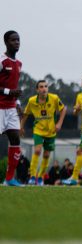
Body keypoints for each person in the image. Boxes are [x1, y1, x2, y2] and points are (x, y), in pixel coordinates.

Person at [20, 78, 67, 185]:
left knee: (46, 155)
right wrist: (21, 126)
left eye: (46, 86)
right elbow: (26, 114)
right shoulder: (32, 101)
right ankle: (32, 176)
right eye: (41, 87)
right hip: (38, 130)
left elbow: (63, 109)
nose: (44, 89)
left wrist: (59, 123)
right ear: (37, 90)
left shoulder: (54, 98)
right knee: (37, 150)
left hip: (51, 131)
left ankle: (40, 177)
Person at [1, 30, 24, 186]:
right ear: (6, 42)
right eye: (13, 40)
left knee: (15, 139)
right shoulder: (2, 60)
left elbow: (14, 86)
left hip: (11, 108)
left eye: (18, 40)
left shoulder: (19, 64)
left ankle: (9, 179)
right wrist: (10, 92)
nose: (17, 42)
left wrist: (18, 104)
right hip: (0, 108)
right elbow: (9, 89)